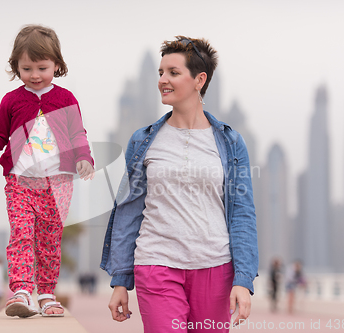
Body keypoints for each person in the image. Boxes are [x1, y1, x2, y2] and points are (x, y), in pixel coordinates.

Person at [100, 36, 258, 332]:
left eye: (173, 72)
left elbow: (242, 213)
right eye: (160, 73)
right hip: (156, 264)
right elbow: (128, 210)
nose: (163, 80)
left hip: (215, 268)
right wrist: (121, 280)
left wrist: (243, 279)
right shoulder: (143, 140)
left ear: (200, 79)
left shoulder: (230, 142)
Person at [0, 25, 94, 318]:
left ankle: (46, 293)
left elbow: (78, 134)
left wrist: (83, 158)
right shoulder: (12, 100)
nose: (35, 75)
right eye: (26, 68)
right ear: (16, 66)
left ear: (57, 65)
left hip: (57, 184)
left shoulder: (66, 99)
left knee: (49, 240)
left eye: (42, 67)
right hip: (20, 182)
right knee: (22, 231)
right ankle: (20, 290)